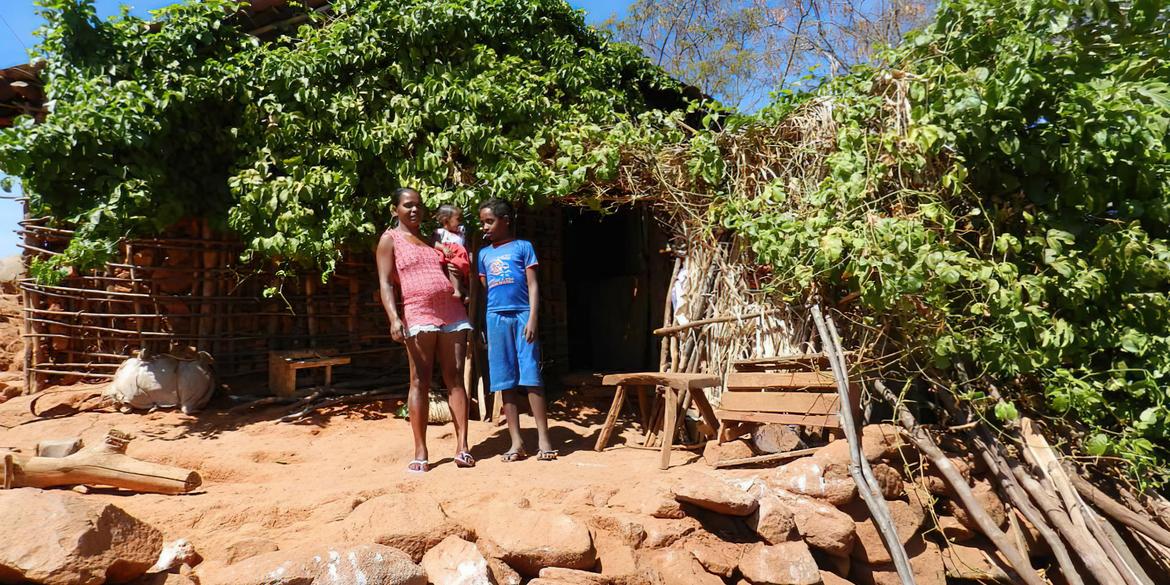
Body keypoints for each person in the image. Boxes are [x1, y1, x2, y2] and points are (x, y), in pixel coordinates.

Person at [376, 187, 475, 473]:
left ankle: (463, 446)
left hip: (451, 311)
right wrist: (394, 318)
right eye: (407, 205)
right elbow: (385, 283)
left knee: (454, 376)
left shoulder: (433, 238)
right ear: (395, 209)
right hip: (417, 311)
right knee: (420, 379)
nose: (414, 210)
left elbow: (452, 265)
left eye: (418, 205)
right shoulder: (389, 240)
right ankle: (421, 450)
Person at [477, 198, 556, 462]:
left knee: (532, 377)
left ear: (506, 220)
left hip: (523, 315)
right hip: (496, 318)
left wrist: (533, 318)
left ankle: (544, 440)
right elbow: (489, 290)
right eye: (482, 223)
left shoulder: (523, 247)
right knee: (504, 380)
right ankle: (516, 442)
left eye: (490, 221)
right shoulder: (484, 254)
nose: (485, 227)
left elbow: (533, 286)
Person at [432, 204, 469, 302]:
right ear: (446, 221)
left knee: (455, 268)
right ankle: (458, 290)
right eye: (458, 219)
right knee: (451, 267)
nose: (460, 222)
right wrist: (443, 248)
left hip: (457, 259)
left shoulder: (460, 234)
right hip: (447, 258)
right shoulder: (440, 232)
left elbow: (465, 247)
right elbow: (434, 243)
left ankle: (460, 289)